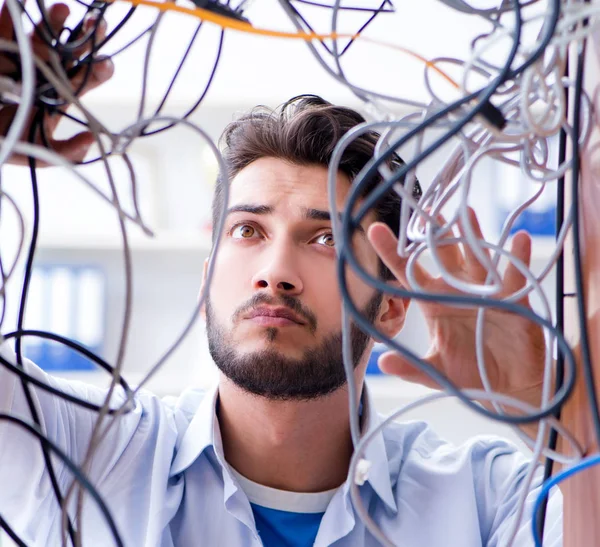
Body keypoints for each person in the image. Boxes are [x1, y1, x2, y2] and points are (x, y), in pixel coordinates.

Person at [0, 4, 562, 546]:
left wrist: (549, 407)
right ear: (205, 280)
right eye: (248, 231)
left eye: (326, 240)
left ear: (391, 303)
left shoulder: (485, 499)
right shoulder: (79, 451)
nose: (275, 273)